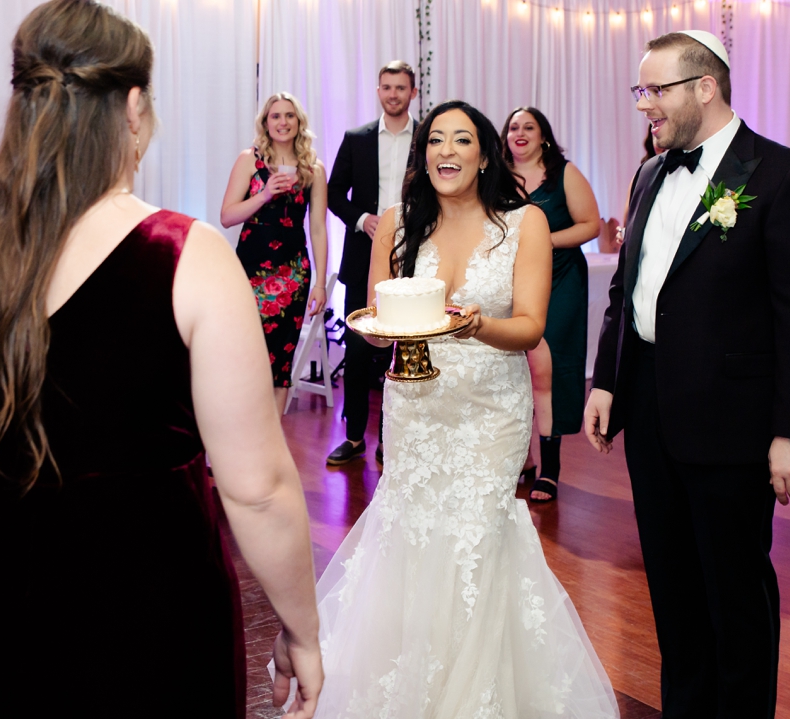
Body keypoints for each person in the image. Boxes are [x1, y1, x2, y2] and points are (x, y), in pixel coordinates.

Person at [0, 1, 322, 716]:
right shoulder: (186, 256)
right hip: (151, 614)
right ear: (133, 107)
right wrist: (302, 630)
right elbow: (257, 488)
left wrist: (3, 567)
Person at [288, 100, 620, 717]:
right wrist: (378, 333)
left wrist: (475, 326)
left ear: (486, 154)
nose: (446, 150)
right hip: (416, 404)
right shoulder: (396, 224)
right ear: (423, 157)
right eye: (435, 139)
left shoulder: (524, 224)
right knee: (414, 532)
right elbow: (378, 323)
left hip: (492, 410)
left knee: (478, 536)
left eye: (462, 139)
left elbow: (530, 327)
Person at [585, 31, 790, 717]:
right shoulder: (649, 174)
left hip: (732, 419)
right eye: (639, 91)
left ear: (705, 87)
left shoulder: (783, 175)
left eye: (655, 90)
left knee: (735, 593)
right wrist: (607, 379)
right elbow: (629, 289)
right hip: (649, 405)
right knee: (671, 590)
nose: (644, 105)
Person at [501, 106, 599, 502]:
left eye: (529, 126)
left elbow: (590, 224)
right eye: (513, 127)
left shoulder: (565, 173)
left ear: (543, 136)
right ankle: (521, 458)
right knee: (512, 367)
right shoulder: (496, 176)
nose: (520, 132)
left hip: (561, 279)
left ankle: (550, 468)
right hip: (512, 281)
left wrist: (543, 242)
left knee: (549, 365)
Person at [325, 61, 418, 467]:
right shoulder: (356, 138)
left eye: (401, 87)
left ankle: (391, 439)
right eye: (387, 87)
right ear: (378, 91)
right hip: (363, 257)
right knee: (360, 349)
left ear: (413, 92)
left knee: (405, 352)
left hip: (415, 255)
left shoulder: (427, 138)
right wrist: (363, 220)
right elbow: (333, 194)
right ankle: (354, 437)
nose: (393, 94)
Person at [221, 92, 329, 416]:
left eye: (289, 115)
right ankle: (237, 431)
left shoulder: (313, 169)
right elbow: (227, 216)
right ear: (266, 123)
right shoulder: (249, 160)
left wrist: (320, 284)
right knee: (243, 355)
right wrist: (265, 194)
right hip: (249, 272)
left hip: (293, 276)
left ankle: (271, 437)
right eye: (276, 116)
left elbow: (318, 229)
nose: (283, 122)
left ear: (299, 122)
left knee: (281, 361)